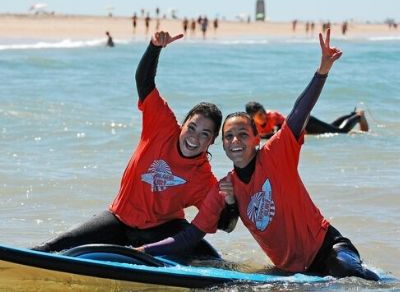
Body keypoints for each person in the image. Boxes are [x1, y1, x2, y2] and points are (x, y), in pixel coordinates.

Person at [135, 29, 380, 281]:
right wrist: (143, 251)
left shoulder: (275, 155)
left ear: (256, 139)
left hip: (330, 250)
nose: (235, 140)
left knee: (346, 273)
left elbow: (299, 112)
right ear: (222, 145)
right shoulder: (226, 188)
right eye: (228, 136)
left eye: (243, 134)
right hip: (292, 271)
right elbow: (191, 235)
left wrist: (322, 72)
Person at [32, 31, 235, 253]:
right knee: (54, 247)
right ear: (183, 124)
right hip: (118, 220)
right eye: (192, 127)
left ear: (212, 141)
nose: (194, 138)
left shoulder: (203, 177)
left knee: (209, 257)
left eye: (205, 134)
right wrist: (154, 47)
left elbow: (224, 224)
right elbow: (144, 81)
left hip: (163, 229)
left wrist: (232, 201)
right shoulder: (162, 126)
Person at [245, 101, 369, 139]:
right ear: (252, 117)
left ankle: (358, 116)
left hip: (306, 123)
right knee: (331, 127)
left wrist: (261, 137)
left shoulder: (272, 116)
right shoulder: (254, 125)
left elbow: (277, 133)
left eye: (263, 112)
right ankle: (352, 114)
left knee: (341, 131)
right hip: (304, 127)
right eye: (259, 115)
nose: (263, 116)